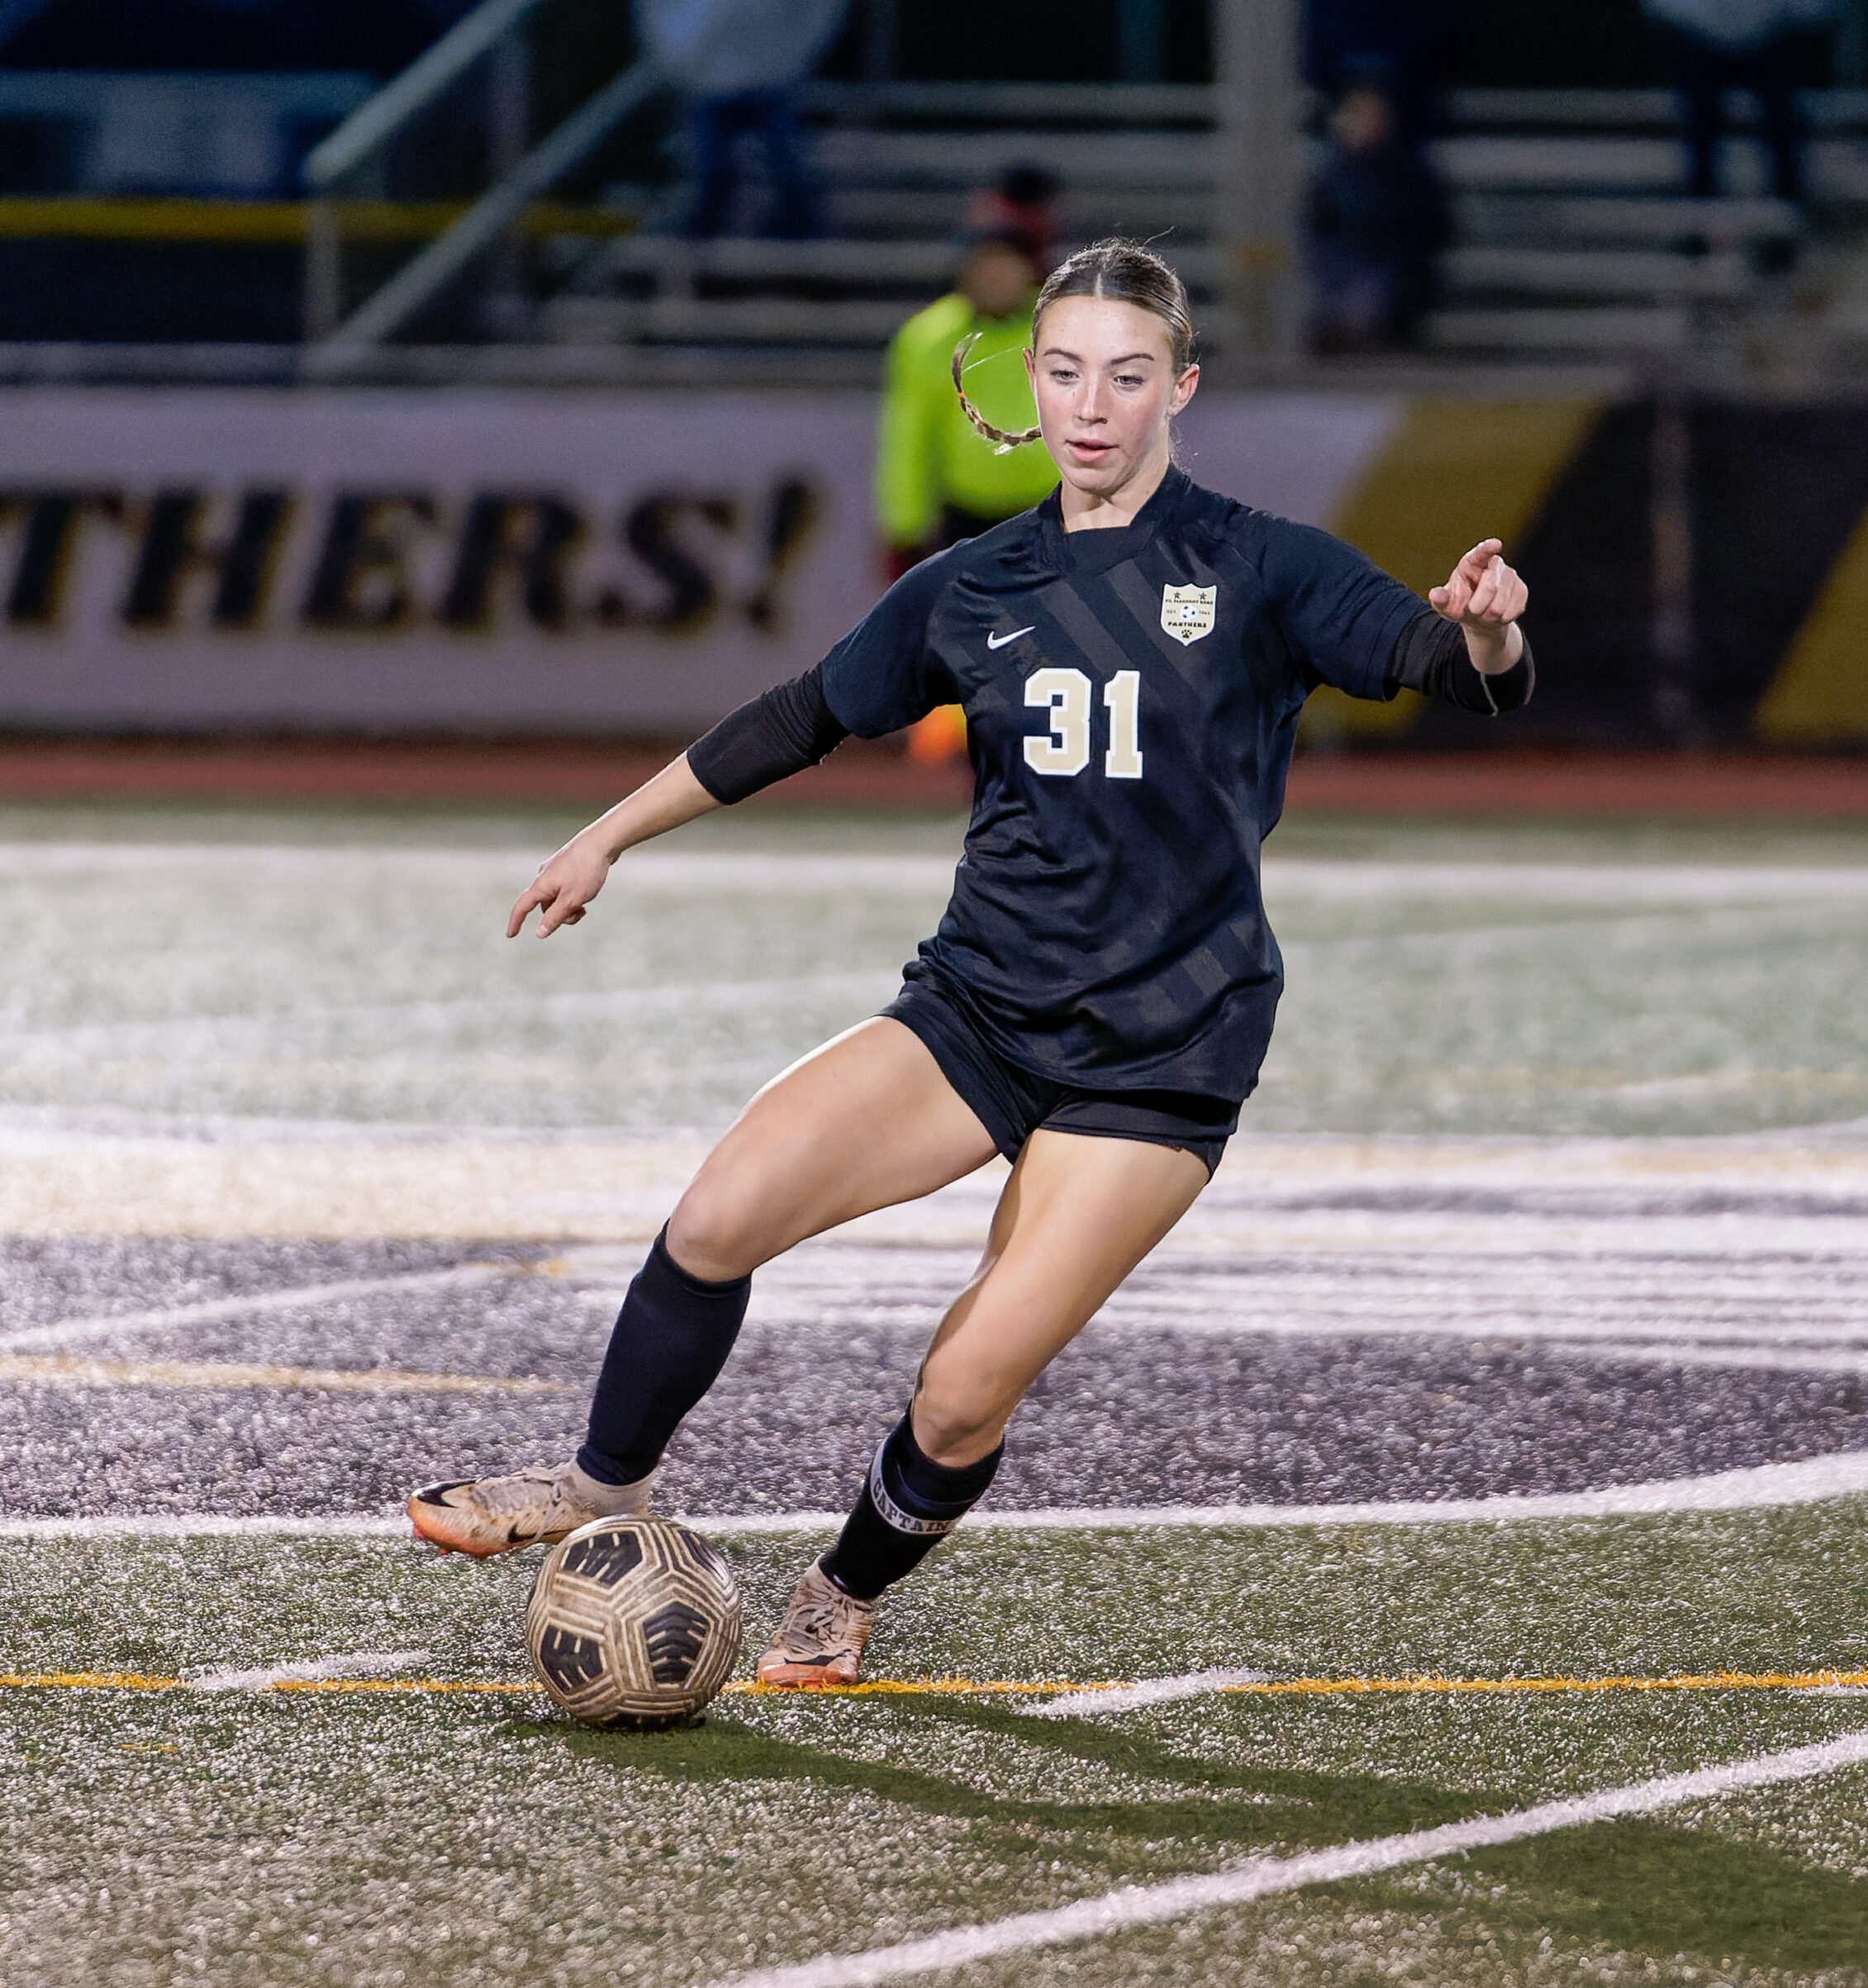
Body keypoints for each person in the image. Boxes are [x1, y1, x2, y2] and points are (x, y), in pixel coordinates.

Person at [406, 241, 1534, 1689]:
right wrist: (610, 834)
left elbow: (1449, 667)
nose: (1091, 404)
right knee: (717, 1215)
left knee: (962, 1393)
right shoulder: (979, 582)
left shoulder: (1260, 565)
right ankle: (603, 1487)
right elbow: (805, 713)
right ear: (1029, 382)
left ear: (1180, 388)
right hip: (979, 1006)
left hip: (1161, 1050)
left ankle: (843, 1584)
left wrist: (1492, 630)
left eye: (1128, 376)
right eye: (1065, 371)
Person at [875, 229, 1058, 581]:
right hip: (965, 511)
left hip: (1054, 508)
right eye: (985, 269)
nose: (996, 281)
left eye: (1006, 269)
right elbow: (909, 435)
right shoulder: (928, 338)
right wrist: (903, 529)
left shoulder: (1065, 327)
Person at [633, 0, 850, 239]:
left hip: (762, 84)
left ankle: (797, 228)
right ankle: (703, 234)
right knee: (713, 170)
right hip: (715, 87)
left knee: (786, 166)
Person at [1641, 0, 1837, 205]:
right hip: (1700, 33)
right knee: (1700, 128)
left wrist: (1801, 17)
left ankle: (1789, 204)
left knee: (1783, 124)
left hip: (1769, 34)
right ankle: (1698, 210)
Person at [1306, 80, 1449, 352]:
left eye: (1369, 115)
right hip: (1337, 270)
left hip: (1393, 270)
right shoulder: (1331, 174)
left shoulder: (1409, 171)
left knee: (1369, 296)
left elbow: (1429, 228)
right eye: (1353, 114)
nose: (1359, 123)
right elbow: (1317, 229)